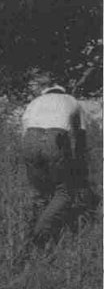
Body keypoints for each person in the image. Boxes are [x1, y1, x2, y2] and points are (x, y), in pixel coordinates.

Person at [21, 85, 98, 250]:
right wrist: (79, 163)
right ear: (62, 92)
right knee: (64, 192)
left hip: (30, 139)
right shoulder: (72, 100)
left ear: (45, 93)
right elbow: (80, 135)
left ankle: (30, 229)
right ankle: (39, 235)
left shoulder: (35, 101)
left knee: (39, 190)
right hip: (54, 138)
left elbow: (24, 131)